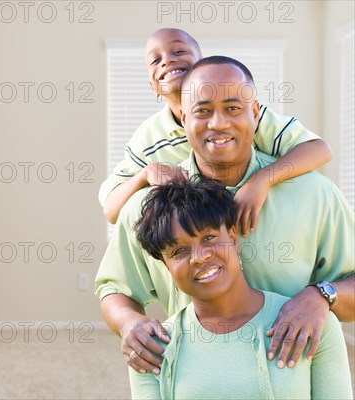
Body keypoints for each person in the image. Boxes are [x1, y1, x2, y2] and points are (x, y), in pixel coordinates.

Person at [95, 55, 355, 376]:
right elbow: (114, 289)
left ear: (255, 112)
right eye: (202, 111)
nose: (218, 123)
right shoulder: (148, 206)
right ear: (183, 117)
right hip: (197, 380)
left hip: (291, 380)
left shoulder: (316, 194)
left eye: (233, 108)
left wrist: (322, 295)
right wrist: (129, 322)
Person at [129, 177, 353, 399]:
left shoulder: (310, 322)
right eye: (178, 251)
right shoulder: (151, 349)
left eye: (209, 237)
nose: (199, 257)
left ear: (233, 238)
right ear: (167, 267)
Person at [100, 28, 332, 240]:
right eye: (155, 60)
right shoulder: (149, 138)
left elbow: (319, 150)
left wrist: (261, 180)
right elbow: (111, 211)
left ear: (202, 65)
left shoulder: (246, 116)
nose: (168, 60)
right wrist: (145, 174)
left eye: (179, 51)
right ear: (153, 86)